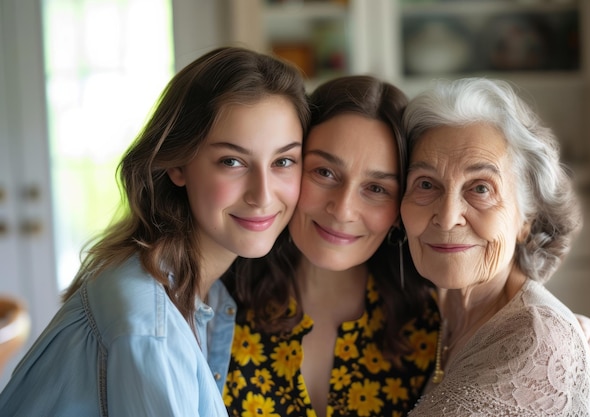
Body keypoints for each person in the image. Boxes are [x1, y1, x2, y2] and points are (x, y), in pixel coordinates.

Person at [0, 46, 310, 417]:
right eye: (232, 161)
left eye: (284, 161)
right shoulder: (150, 327)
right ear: (178, 164)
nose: (263, 194)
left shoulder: (203, 291)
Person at [221, 75, 440, 417]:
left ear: (401, 210)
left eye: (377, 189)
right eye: (324, 173)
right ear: (287, 168)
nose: (342, 209)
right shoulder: (219, 301)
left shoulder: (432, 324)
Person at [400, 77, 590, 415]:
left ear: (526, 219)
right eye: (425, 184)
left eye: (480, 189)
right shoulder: (432, 312)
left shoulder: (536, 342)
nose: (448, 217)